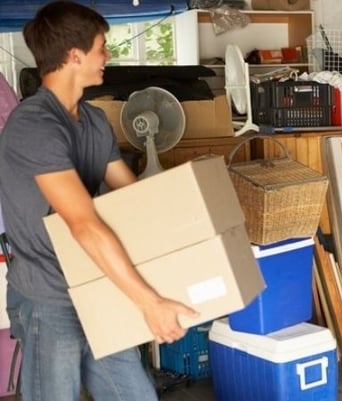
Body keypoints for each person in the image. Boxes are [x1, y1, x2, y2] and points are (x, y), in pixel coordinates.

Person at [0, 2, 198, 401]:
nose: (108, 56)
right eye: (101, 47)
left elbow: (132, 197)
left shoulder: (92, 120)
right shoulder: (34, 125)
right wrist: (150, 302)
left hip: (96, 286)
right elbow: (84, 223)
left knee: (135, 395)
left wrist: (193, 228)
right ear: (74, 55)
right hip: (48, 296)